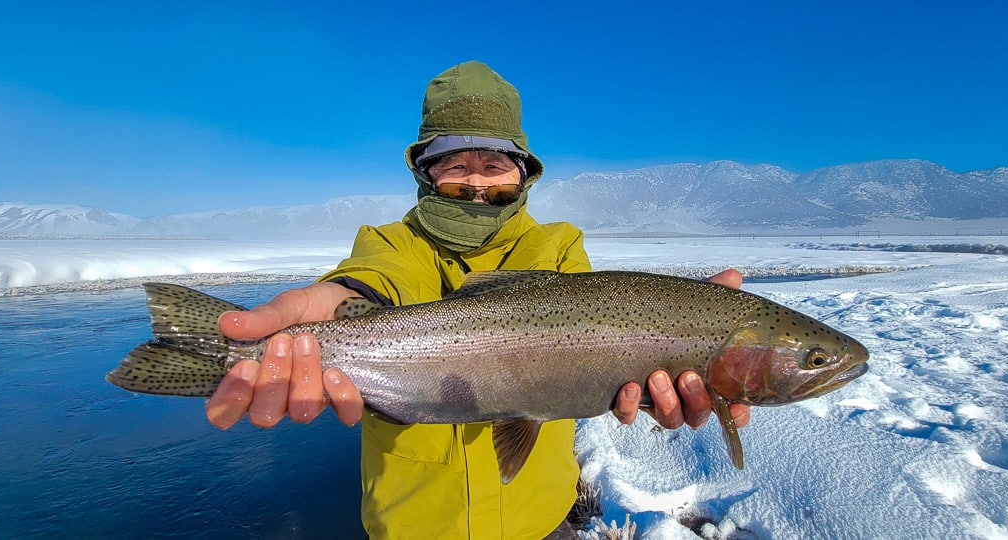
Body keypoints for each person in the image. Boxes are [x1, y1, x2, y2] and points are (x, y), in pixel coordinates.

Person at [203, 61, 751, 539]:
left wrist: (678, 342)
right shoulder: (391, 242)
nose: (476, 183)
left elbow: (607, 333)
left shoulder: (558, 245)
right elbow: (374, 278)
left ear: (523, 172)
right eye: (454, 165)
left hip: (539, 519)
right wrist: (343, 299)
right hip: (412, 526)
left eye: (494, 165)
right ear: (425, 171)